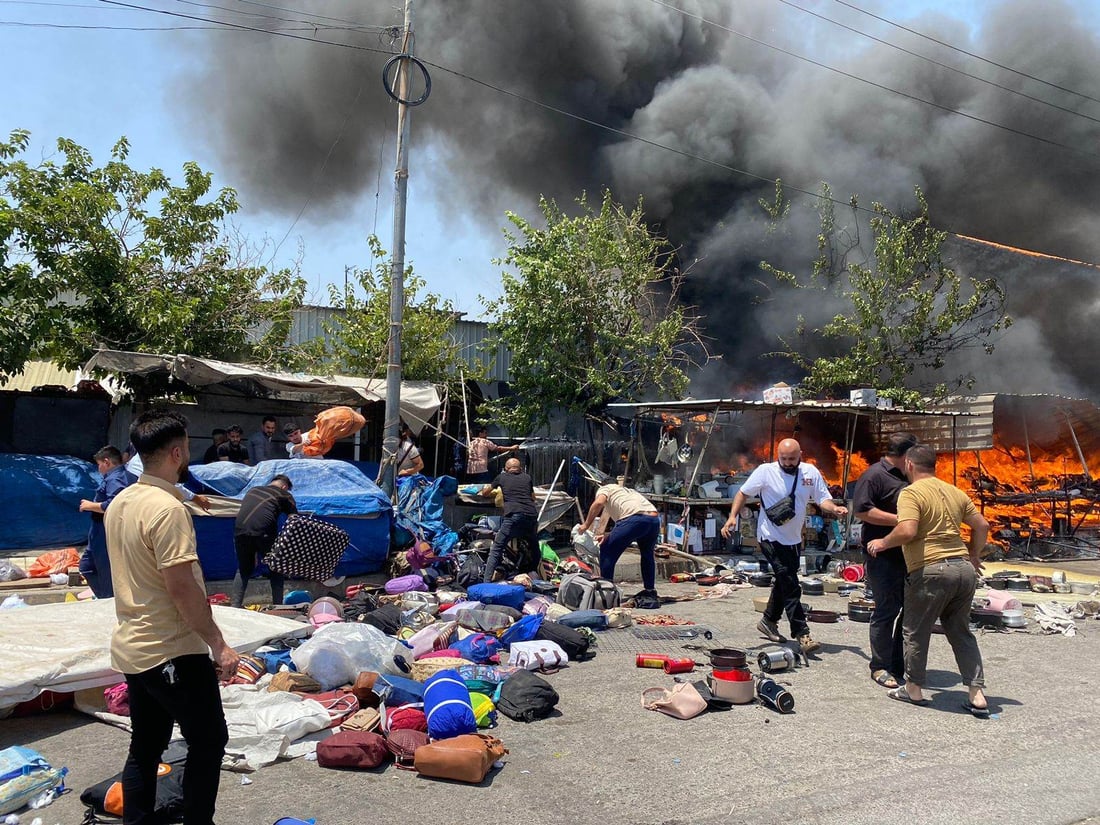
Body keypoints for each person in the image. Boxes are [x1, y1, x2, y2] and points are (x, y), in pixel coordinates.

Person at [104, 409, 240, 825]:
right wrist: (219, 644)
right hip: (172, 649)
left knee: (146, 747)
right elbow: (182, 588)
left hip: (133, 646)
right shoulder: (167, 511)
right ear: (177, 452)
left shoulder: (122, 501)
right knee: (209, 739)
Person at [866, 444, 991, 716]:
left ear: (909, 465)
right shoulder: (955, 491)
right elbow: (982, 525)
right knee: (960, 632)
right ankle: (977, 693)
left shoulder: (911, 493)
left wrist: (883, 542)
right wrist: (973, 554)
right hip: (963, 570)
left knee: (914, 631)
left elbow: (908, 530)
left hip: (931, 571)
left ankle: (913, 688)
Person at [720, 438, 848, 654]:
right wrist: (732, 517)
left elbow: (822, 499)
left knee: (784, 578)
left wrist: (834, 509)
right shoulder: (765, 471)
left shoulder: (810, 472)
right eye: (784, 459)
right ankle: (802, 633)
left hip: (794, 538)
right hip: (769, 536)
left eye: (792, 459)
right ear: (777, 456)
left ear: (801, 455)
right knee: (790, 583)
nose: (787, 463)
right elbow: (742, 493)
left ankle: (768, 620)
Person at [852, 432, 919, 690]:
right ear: (905, 455)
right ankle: (879, 667)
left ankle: (899, 664)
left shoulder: (908, 476)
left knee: (909, 611)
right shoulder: (873, 476)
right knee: (886, 610)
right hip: (882, 555)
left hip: (908, 554)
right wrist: (901, 521)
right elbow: (862, 510)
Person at [575, 482, 661, 609]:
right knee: (647, 554)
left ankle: (606, 592)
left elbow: (598, 503)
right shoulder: (627, 491)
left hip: (634, 519)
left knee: (606, 551)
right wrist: (608, 535)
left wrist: (586, 525)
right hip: (653, 519)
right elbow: (625, 527)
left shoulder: (605, 489)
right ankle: (650, 590)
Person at [78, 445, 137, 598]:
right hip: (102, 530)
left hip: (105, 531)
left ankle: (109, 598)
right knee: (88, 566)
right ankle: (108, 596)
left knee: (100, 568)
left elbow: (115, 504)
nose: (98, 469)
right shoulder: (125, 476)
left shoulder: (116, 478)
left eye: (99, 465)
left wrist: (90, 505)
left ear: (107, 462)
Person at [231, 474, 297, 608]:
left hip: (240, 531)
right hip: (264, 531)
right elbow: (295, 521)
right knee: (276, 568)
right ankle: (278, 607)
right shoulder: (284, 494)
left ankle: (235, 606)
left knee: (243, 569)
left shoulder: (253, 490)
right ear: (284, 487)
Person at [480, 457, 540, 582]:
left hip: (514, 515)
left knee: (497, 547)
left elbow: (486, 493)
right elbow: (533, 497)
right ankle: (533, 574)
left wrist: (484, 489)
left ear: (506, 469)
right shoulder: (527, 477)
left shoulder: (501, 477)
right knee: (534, 546)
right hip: (531, 515)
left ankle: (486, 582)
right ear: (521, 468)